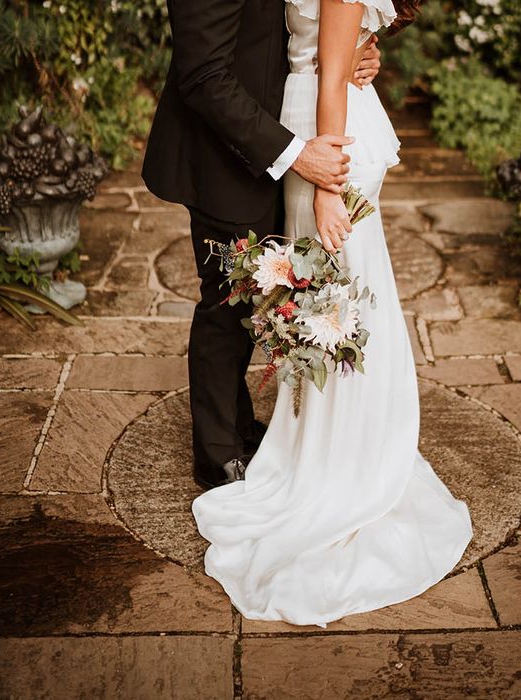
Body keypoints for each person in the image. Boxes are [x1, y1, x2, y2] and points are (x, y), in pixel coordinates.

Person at [191, 0, 473, 628]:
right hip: (316, 126)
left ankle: (341, 463)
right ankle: (325, 449)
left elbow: (338, 32)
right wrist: (351, 56)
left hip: (326, 136)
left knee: (338, 298)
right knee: (336, 297)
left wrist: (326, 182)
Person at [142, 0, 382, 490]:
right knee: (226, 303)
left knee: (261, 294)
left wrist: (347, 53)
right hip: (223, 154)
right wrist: (294, 153)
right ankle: (217, 454)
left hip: (279, 135)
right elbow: (204, 74)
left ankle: (238, 423)